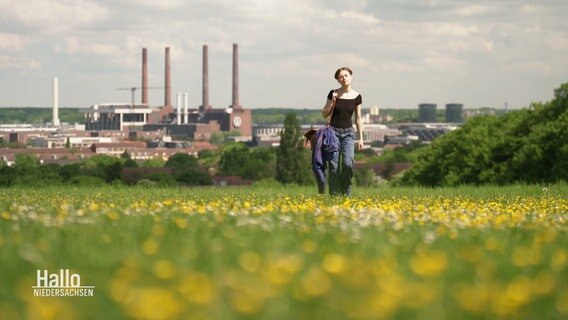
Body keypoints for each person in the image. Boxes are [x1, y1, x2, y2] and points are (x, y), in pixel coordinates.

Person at [321, 66, 364, 196]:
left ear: (351, 77)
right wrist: (332, 102)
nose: (343, 78)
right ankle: (334, 195)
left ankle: (346, 192)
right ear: (338, 80)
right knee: (333, 167)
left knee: (347, 164)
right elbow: (324, 114)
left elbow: (358, 118)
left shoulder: (357, 96)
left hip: (348, 134)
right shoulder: (333, 93)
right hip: (332, 133)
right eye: (340, 76)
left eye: (346, 75)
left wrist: (361, 138)